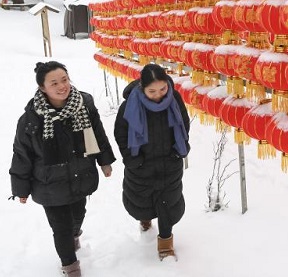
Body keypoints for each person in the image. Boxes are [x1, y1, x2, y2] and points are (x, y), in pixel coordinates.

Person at [10, 61, 116, 277]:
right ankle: (70, 266)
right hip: (49, 183)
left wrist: (104, 161)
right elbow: (22, 154)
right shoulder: (31, 119)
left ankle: (75, 234)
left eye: (64, 80)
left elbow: (97, 133)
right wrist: (21, 189)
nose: (62, 86)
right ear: (42, 88)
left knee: (78, 216)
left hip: (79, 175)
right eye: (54, 83)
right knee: (61, 228)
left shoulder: (83, 104)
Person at [115, 63, 191, 261]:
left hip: (169, 162)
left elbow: (184, 123)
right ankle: (145, 219)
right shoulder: (130, 105)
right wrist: (132, 160)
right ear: (142, 87)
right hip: (142, 163)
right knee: (142, 200)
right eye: (152, 91)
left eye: (163, 88)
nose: (158, 95)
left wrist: (178, 150)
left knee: (168, 202)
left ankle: (165, 243)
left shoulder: (174, 99)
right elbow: (121, 133)